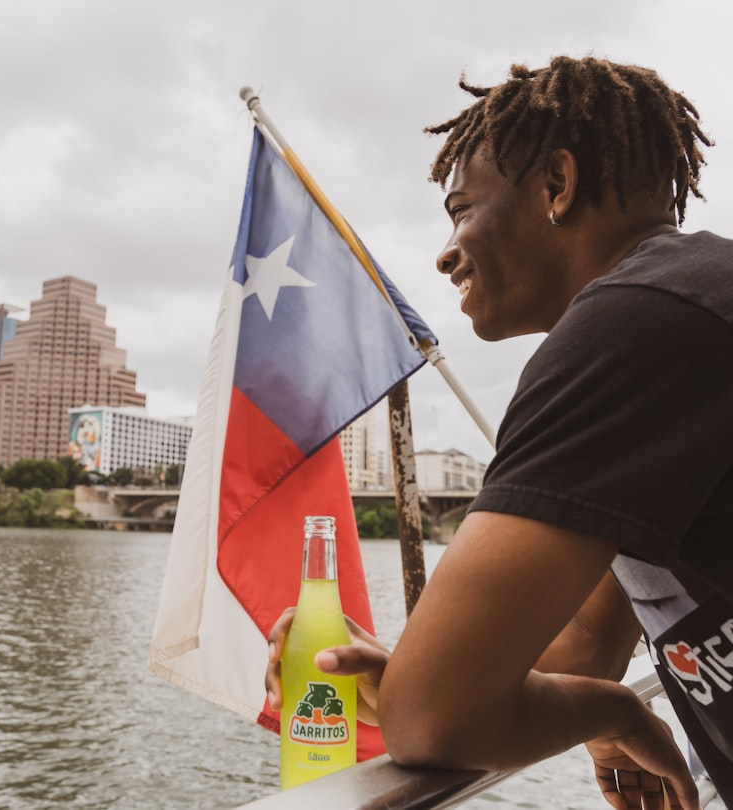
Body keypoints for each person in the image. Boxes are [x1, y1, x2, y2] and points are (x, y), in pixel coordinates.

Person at [266, 55, 732, 809]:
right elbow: (586, 642)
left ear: (557, 184)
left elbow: (435, 719)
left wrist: (613, 711)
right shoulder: (688, 302)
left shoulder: (637, 322)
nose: (446, 253)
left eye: (460, 211)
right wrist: (404, 670)